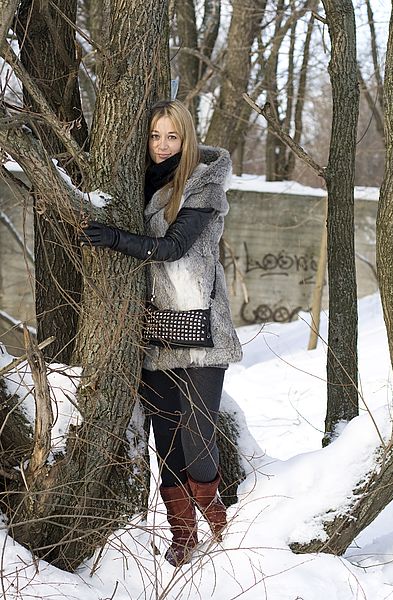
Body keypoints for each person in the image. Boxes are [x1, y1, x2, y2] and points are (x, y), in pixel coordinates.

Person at [79, 99, 243, 566]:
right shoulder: (142, 183)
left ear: (187, 138)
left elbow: (173, 248)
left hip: (200, 333)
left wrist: (113, 237)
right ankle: (183, 535)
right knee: (167, 441)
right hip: (155, 332)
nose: (162, 146)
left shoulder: (203, 186)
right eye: (155, 136)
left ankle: (223, 531)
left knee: (197, 435)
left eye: (172, 136)